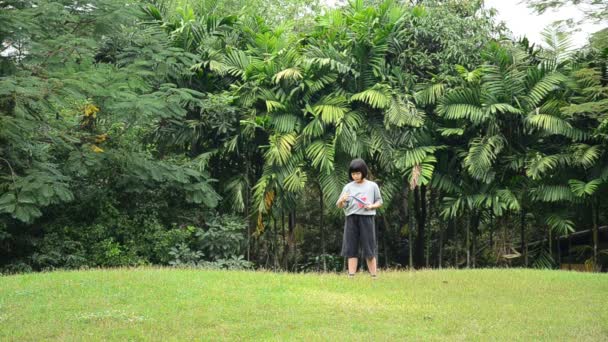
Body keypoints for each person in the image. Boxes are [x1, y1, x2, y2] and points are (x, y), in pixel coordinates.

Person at [336, 158, 383, 278]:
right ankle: (351, 275)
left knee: (369, 248)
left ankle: (374, 276)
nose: (355, 176)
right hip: (351, 218)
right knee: (351, 247)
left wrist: (371, 206)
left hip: (367, 218)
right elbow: (340, 205)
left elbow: (379, 201)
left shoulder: (372, 186)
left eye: (357, 173)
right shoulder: (347, 187)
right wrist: (341, 200)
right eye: (353, 174)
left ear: (363, 172)